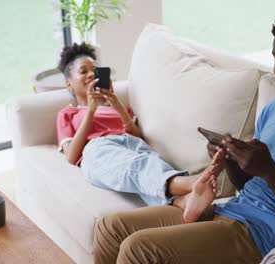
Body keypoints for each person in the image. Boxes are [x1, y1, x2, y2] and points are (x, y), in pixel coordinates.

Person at [92, 8, 275, 264]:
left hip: (262, 235)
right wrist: (234, 161)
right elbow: (248, 186)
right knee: (109, 227)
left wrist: (270, 171)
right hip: (231, 210)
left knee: (140, 249)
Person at [56, 42, 224, 213]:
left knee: (149, 164)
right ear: (69, 84)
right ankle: (186, 183)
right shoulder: (68, 113)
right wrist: (91, 110)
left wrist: (116, 103)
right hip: (98, 148)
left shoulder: (116, 107)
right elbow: (71, 156)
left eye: (94, 69)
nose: (91, 74)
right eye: (83, 71)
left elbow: (138, 137)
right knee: (136, 165)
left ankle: (182, 202)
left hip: (131, 143)